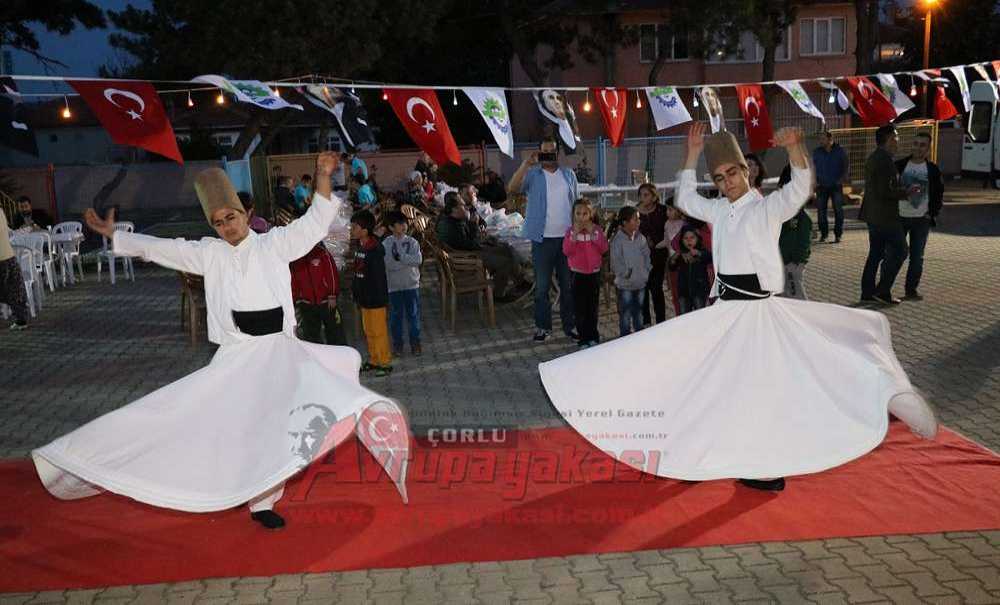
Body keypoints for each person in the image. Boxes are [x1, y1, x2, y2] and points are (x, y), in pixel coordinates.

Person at [539, 122, 937, 495]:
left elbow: (799, 188)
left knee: (770, 385)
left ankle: (869, 402)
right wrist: (691, 155)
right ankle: (698, 457)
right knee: (709, 383)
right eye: (719, 177)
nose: (727, 182)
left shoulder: (767, 208)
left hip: (758, 315)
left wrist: (796, 148)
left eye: (732, 173)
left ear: (747, 171)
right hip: (724, 312)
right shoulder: (719, 209)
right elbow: (687, 198)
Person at [32, 154, 408, 530]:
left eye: (231, 218)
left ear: (247, 214)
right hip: (236, 356)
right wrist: (117, 235)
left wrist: (325, 175)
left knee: (276, 427)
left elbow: (316, 221)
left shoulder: (274, 243)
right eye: (218, 222)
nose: (226, 227)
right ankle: (92, 458)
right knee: (203, 419)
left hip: (280, 352)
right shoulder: (208, 254)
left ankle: (262, 500)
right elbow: (160, 249)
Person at [508, 137, 578, 342]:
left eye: (552, 151)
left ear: (557, 153)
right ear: (539, 153)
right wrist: (525, 164)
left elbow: (576, 204)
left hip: (567, 240)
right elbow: (512, 188)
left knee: (567, 287)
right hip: (542, 240)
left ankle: (570, 326)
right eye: (544, 151)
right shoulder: (533, 175)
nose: (549, 155)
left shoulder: (568, 174)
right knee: (541, 288)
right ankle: (543, 327)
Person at [860, 125, 916, 306]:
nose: (898, 141)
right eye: (896, 137)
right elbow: (886, 191)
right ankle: (882, 290)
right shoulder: (884, 161)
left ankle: (868, 293)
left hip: (874, 215)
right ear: (888, 139)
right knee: (901, 250)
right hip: (885, 217)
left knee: (875, 254)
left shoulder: (875, 157)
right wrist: (906, 192)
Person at [436, 192, 527, 301]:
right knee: (505, 261)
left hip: (467, 251)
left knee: (507, 248)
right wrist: (474, 225)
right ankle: (498, 295)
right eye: (463, 205)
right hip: (466, 258)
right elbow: (472, 243)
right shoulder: (450, 226)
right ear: (454, 209)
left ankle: (521, 282)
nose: (466, 207)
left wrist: (473, 225)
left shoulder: (453, 219)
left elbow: (469, 240)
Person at [895, 132, 943, 301]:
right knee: (894, 254)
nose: (918, 148)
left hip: (921, 219)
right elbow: (890, 190)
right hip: (899, 218)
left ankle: (911, 290)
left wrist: (932, 213)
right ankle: (884, 288)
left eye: (922, 145)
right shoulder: (900, 165)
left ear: (928, 148)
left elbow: (938, 194)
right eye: (915, 143)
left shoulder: (932, 170)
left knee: (917, 258)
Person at [350, 209, 392, 377]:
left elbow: (378, 279)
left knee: (378, 331)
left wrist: (378, 298)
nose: (352, 230)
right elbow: (357, 273)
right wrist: (356, 292)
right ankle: (374, 359)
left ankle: (384, 362)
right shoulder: (360, 247)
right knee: (368, 331)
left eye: (355, 227)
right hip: (364, 298)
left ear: (365, 230)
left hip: (375, 299)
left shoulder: (374, 251)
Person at [562, 199, 608, 348]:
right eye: (578, 214)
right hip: (577, 274)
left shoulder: (596, 230)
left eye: (585, 214)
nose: (581, 217)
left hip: (593, 274)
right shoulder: (570, 231)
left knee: (592, 307)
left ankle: (593, 336)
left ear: (591, 214)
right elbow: (566, 251)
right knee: (580, 309)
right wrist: (574, 235)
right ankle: (583, 338)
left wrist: (593, 234)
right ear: (574, 214)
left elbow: (603, 248)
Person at [290, 227, 346, 346]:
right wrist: (295, 299)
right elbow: (293, 280)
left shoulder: (322, 253)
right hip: (306, 303)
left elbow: (332, 275)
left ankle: (339, 357)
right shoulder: (295, 258)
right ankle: (316, 360)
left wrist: (332, 295)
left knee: (334, 332)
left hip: (326, 302)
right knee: (311, 335)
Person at [383, 211, 423, 357]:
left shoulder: (413, 242)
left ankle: (415, 343)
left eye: (405, 223)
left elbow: (418, 260)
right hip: (393, 287)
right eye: (399, 224)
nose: (404, 226)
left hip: (411, 285)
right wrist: (405, 262)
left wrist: (401, 258)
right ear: (391, 227)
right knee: (396, 317)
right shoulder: (386, 243)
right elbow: (388, 264)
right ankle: (398, 344)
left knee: (413, 315)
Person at [610, 205, 651, 337]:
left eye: (638, 219)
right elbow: (616, 262)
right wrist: (626, 273)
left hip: (640, 283)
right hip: (625, 285)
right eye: (635, 219)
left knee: (638, 312)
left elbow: (647, 255)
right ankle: (625, 338)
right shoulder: (617, 241)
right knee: (625, 314)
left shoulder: (641, 238)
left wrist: (646, 271)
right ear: (625, 223)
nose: (639, 222)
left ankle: (638, 337)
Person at [635, 183, 668, 326]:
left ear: (654, 197)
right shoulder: (635, 212)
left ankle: (661, 322)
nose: (643, 198)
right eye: (641, 195)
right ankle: (646, 323)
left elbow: (669, 229)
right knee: (643, 289)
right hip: (641, 257)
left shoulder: (662, 210)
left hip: (659, 255)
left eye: (646, 195)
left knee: (656, 288)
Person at [813, 131, 849, 243]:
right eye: (820, 139)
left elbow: (846, 167)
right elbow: (812, 167)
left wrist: (841, 179)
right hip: (821, 186)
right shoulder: (817, 152)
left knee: (838, 210)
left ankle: (838, 234)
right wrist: (814, 181)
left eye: (823, 138)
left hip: (836, 185)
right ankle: (824, 234)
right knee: (821, 211)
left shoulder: (840, 151)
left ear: (830, 139)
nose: (820, 141)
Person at [656, 199, 687, 317]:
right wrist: (657, 246)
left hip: (682, 261)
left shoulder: (684, 224)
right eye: (667, 210)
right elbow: (666, 240)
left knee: (683, 290)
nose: (667, 212)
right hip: (671, 261)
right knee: (674, 289)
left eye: (670, 209)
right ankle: (678, 313)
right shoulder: (667, 223)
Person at [0, 207, 30, 330]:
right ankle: (21, 320)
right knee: (15, 289)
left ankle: (21, 319)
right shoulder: (1, 211)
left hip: (2, 258)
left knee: (12, 289)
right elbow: (8, 231)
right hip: (9, 256)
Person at [672, 227, 713, 314]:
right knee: (684, 316)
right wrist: (673, 258)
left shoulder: (702, 250)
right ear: (682, 240)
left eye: (692, 238)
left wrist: (699, 253)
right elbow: (672, 267)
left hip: (699, 290)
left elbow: (710, 257)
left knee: (701, 315)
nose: (689, 241)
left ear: (697, 239)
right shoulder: (681, 254)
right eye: (686, 238)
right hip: (683, 292)